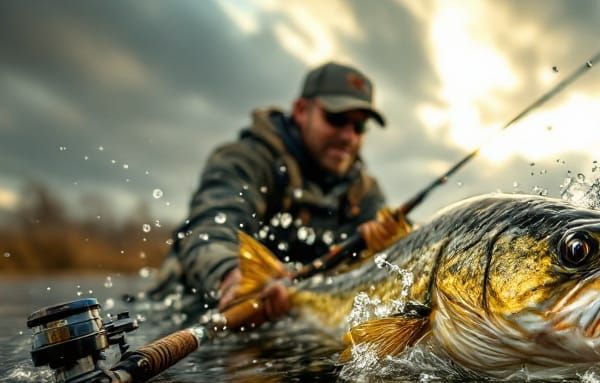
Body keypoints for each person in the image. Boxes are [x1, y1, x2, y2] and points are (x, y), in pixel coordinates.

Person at [156, 61, 410, 321]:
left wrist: (390, 252)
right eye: (336, 119)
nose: (349, 137)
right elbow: (210, 226)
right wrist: (231, 275)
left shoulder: (365, 192)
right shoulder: (247, 160)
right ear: (301, 111)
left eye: (360, 127)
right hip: (189, 310)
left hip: (292, 319)